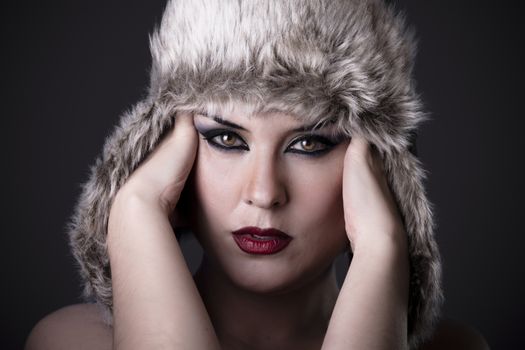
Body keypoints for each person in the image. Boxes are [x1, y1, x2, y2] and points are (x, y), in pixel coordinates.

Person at [25, 0, 489, 349]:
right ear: (159, 150)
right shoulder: (68, 342)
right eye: (227, 140)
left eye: (309, 144)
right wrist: (133, 208)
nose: (264, 194)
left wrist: (383, 246)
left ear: (380, 168)